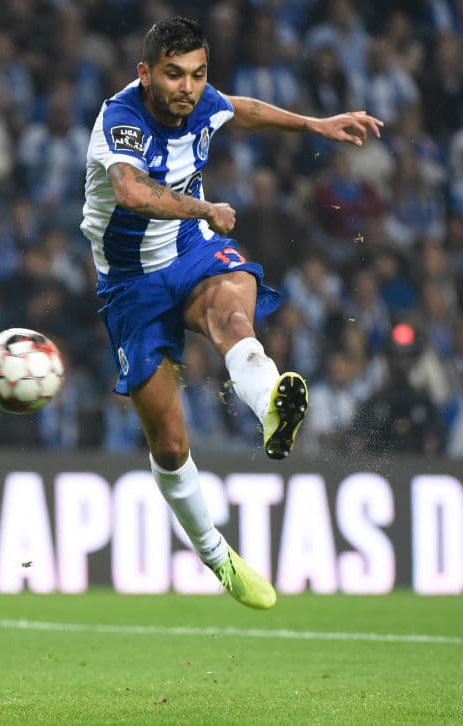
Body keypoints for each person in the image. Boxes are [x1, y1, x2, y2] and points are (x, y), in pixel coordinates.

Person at [81, 17, 383, 609]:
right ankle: (218, 556)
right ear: (145, 74)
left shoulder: (203, 101)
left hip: (190, 252)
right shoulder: (119, 120)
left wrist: (311, 124)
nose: (187, 88)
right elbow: (133, 194)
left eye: (197, 74)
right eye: (173, 75)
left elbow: (238, 109)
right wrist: (206, 206)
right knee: (168, 445)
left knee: (234, 312)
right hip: (130, 283)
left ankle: (271, 403)